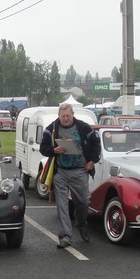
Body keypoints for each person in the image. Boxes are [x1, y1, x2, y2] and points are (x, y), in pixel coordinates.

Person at [39, 103, 101, 248]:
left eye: (68, 115)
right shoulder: (52, 129)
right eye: (63, 116)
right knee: (62, 204)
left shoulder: (84, 128)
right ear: (59, 116)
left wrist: (92, 160)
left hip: (80, 171)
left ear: (73, 114)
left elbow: (96, 145)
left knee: (83, 203)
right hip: (60, 171)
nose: (65, 118)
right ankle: (65, 236)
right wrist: (54, 150)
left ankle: (81, 224)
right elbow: (43, 148)